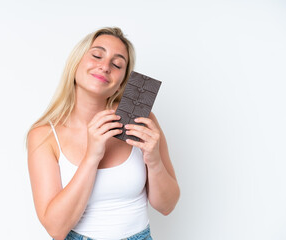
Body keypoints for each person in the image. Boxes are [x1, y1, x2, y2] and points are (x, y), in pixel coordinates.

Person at [26, 27, 180, 240]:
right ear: (76, 63)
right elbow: (56, 229)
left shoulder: (141, 121)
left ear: (120, 84)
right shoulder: (44, 135)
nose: (105, 66)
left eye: (117, 64)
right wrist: (92, 156)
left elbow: (167, 206)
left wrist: (154, 161)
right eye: (97, 55)